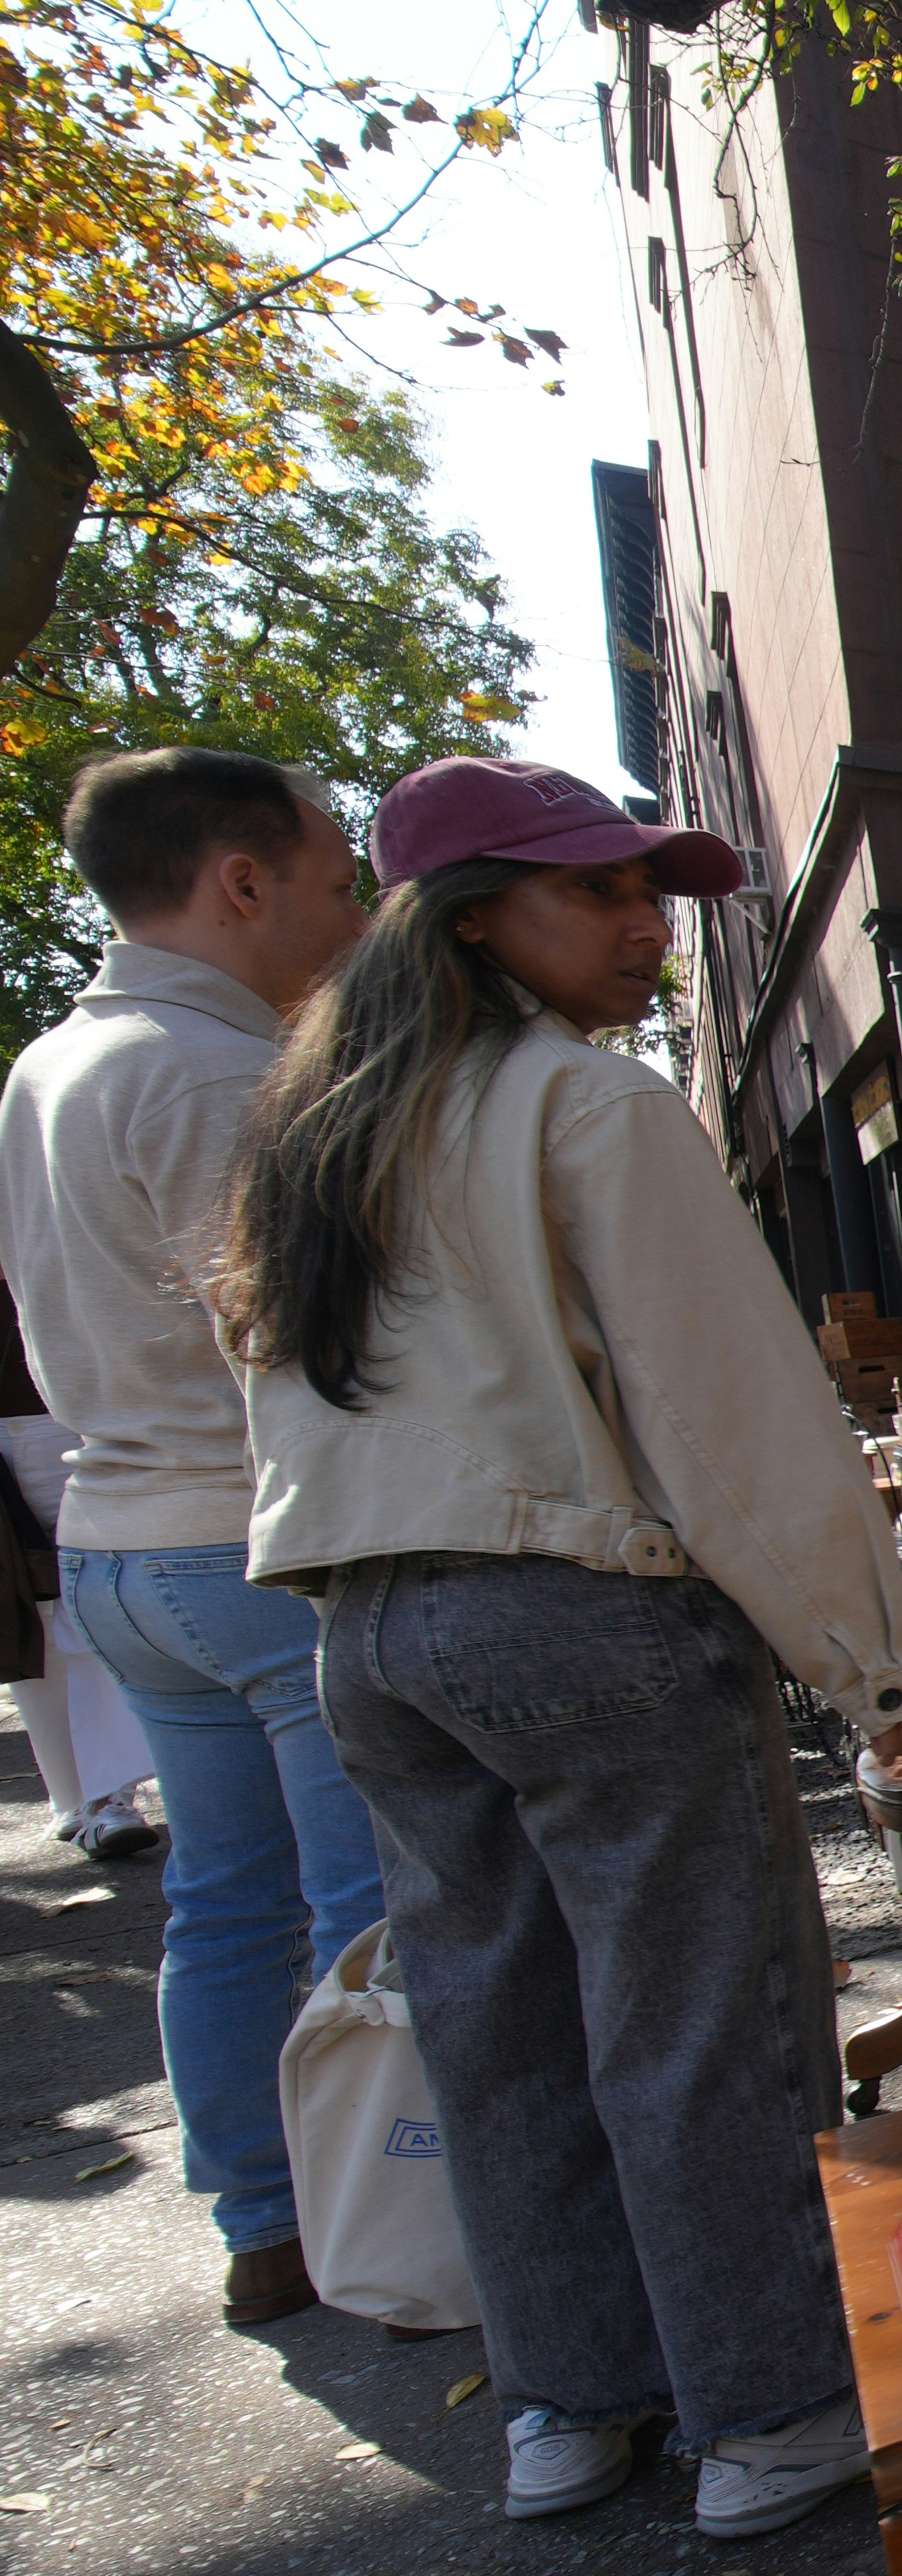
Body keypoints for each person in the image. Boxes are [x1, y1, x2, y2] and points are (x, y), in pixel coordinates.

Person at [216, 753, 902, 2530]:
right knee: (702, 2025)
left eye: (648, 894)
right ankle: (774, 2412)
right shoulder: (582, 1105)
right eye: (601, 894)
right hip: (580, 1606)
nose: (648, 931)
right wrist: (881, 1673)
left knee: (496, 2025)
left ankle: (572, 2399)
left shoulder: (316, 1128)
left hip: (369, 1629)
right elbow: (734, 1420)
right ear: (480, 922)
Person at [0, 747, 382, 2315]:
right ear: (242, 882)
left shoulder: (45, 1065)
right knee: (373, 1906)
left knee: (223, 1897)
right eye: (337, 877)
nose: (354, 914)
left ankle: (263, 2217)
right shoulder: (223, 1072)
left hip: (118, 1539)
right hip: (254, 1538)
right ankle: (402, 2216)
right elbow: (303, 1341)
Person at [1, 1273, 163, 1856]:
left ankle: (108, 1796)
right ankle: (75, 1797)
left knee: (80, 1595)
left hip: (52, 1399)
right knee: (23, 1615)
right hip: (39, 1399)